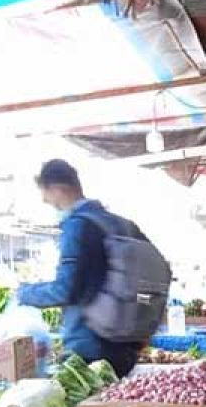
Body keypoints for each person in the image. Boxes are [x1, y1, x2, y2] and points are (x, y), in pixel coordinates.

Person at [17, 159, 154, 377]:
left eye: (47, 195)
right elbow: (150, 282)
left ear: (58, 188)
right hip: (127, 347)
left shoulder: (78, 225)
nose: (45, 201)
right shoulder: (123, 225)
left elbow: (66, 289)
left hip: (90, 347)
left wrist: (24, 293)